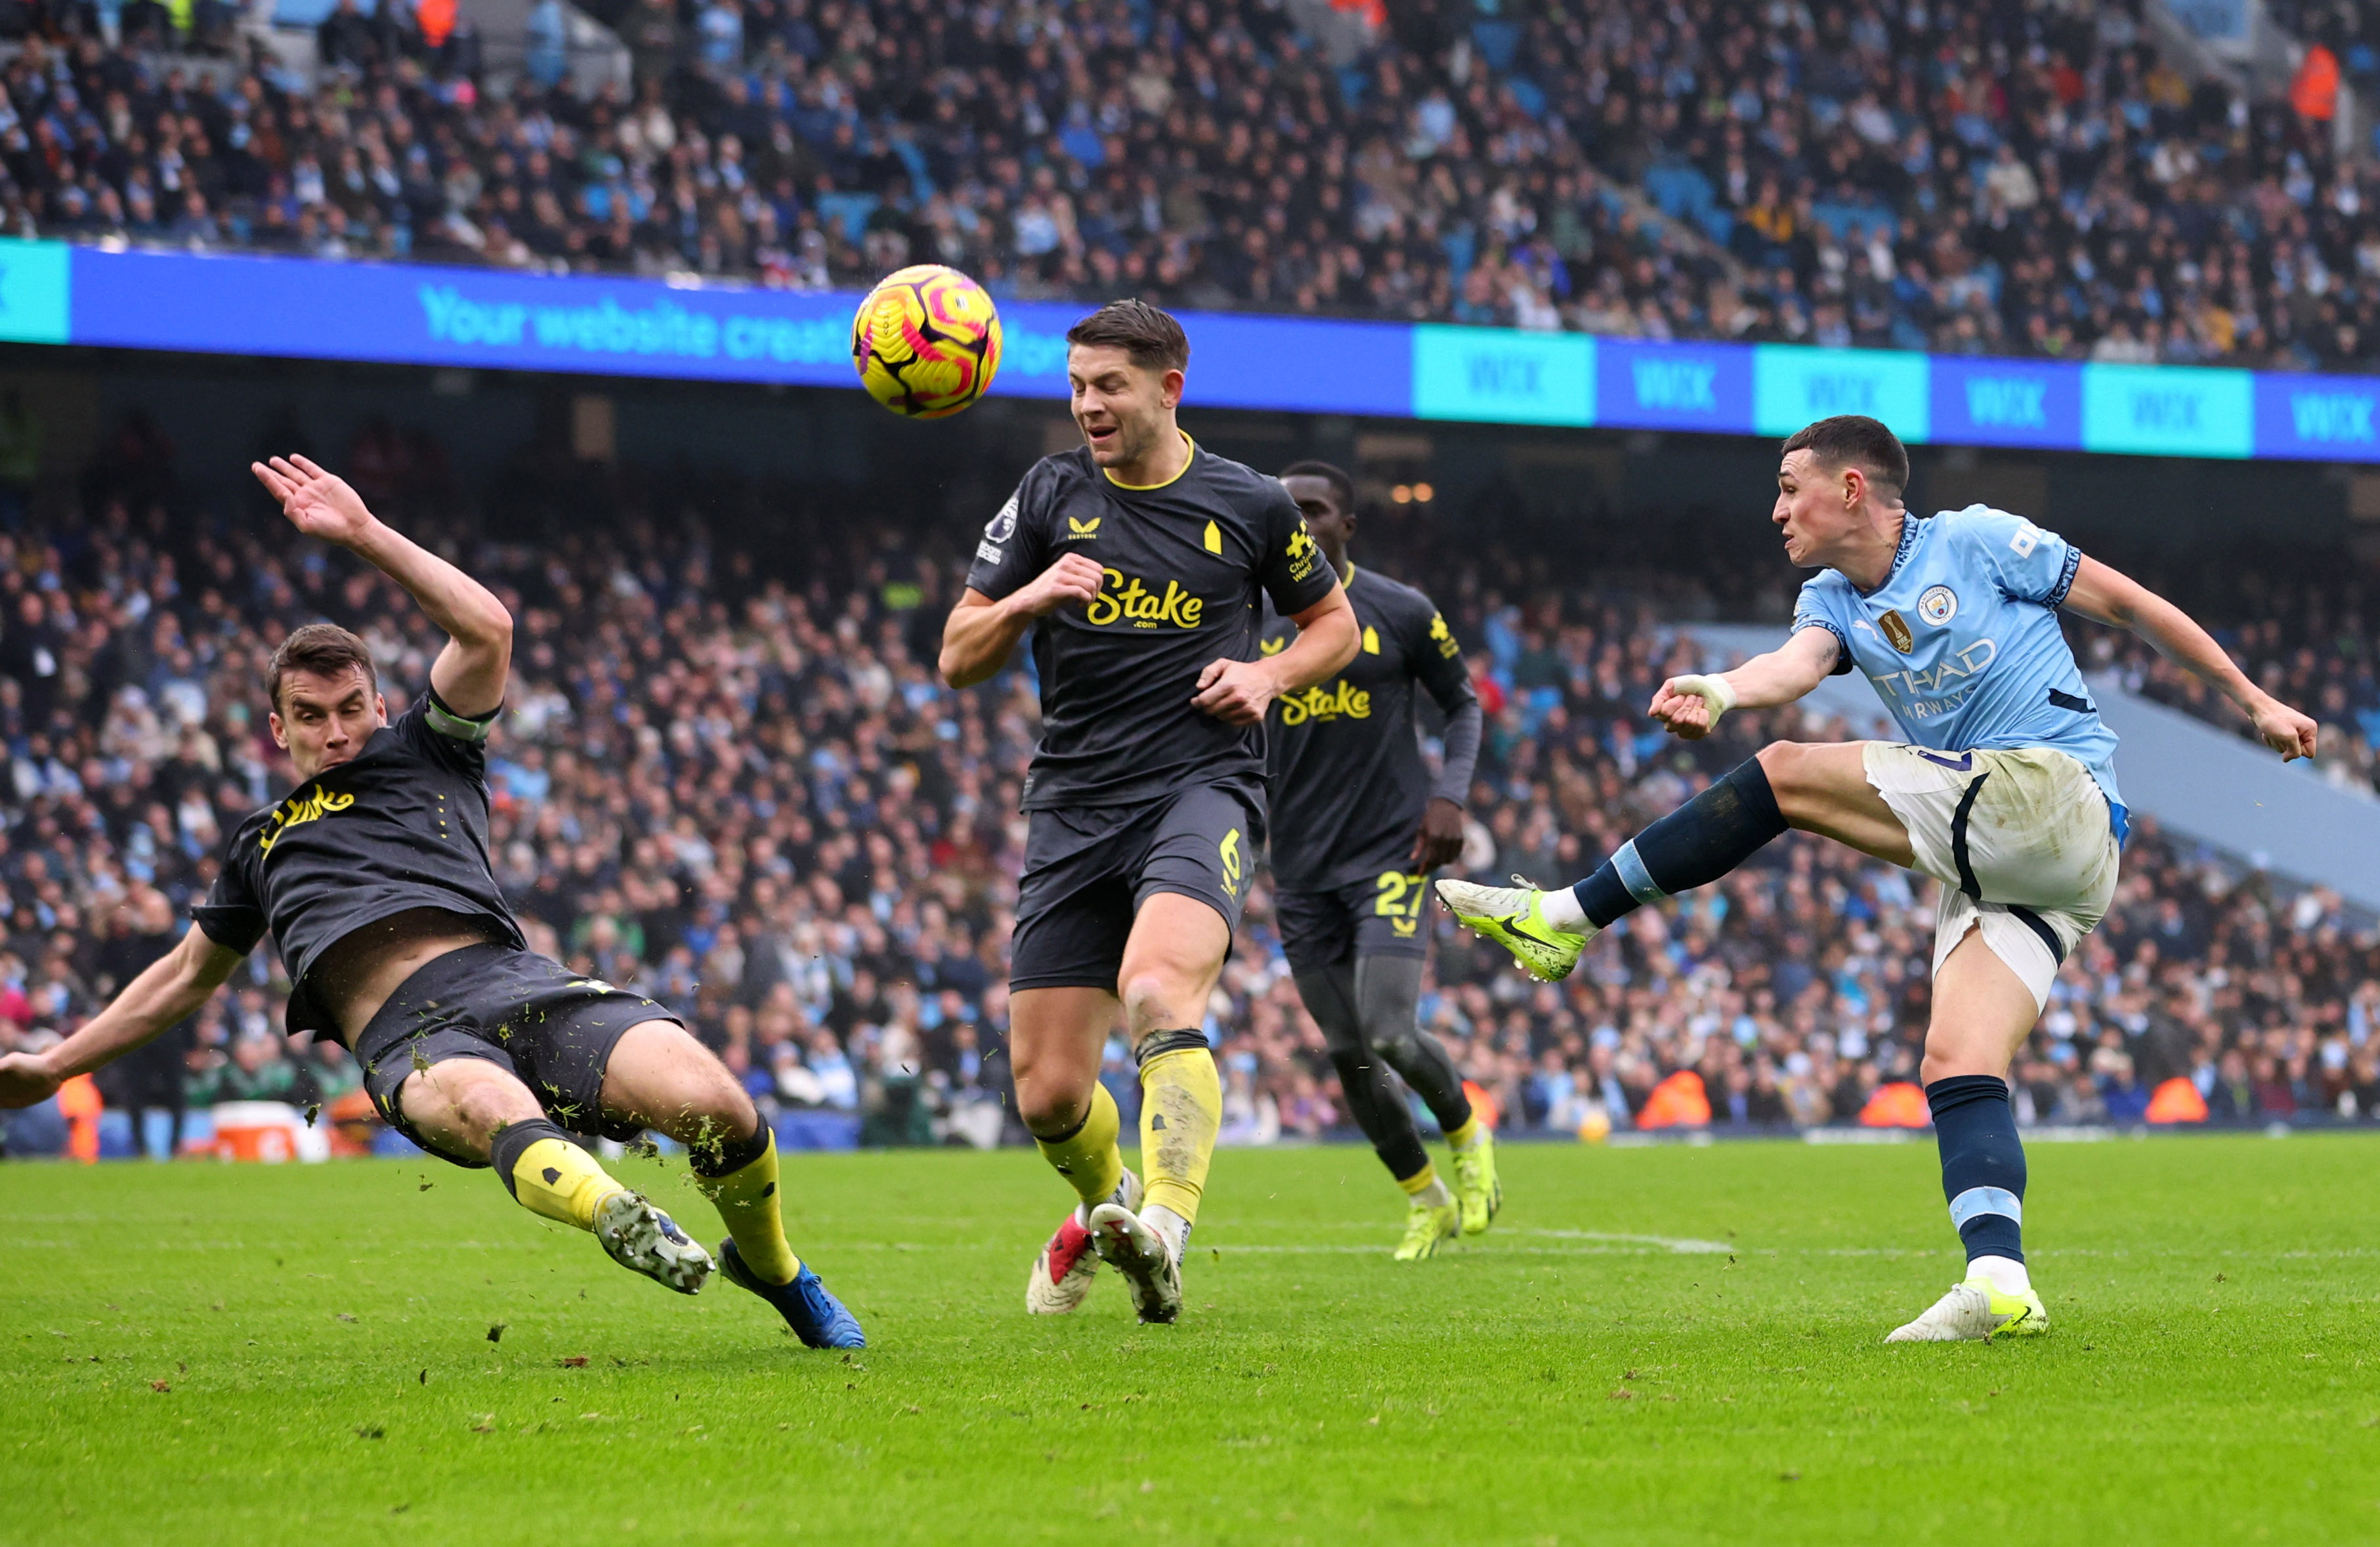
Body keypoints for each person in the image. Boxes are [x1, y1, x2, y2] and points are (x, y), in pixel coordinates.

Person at [1436, 415, 2316, 1342]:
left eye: (1788, 487)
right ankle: (2000, 1281)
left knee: (1781, 774)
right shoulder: (1832, 597)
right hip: (2028, 857)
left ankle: (1566, 914)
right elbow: (1794, 665)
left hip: (2051, 790)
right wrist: (1724, 688)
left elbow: (2129, 604)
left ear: (1850, 488)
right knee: (1958, 1059)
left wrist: (2251, 699)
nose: (1776, 509)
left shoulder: (1976, 539)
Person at [0, 455, 862, 1348]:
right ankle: (620, 1216)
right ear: (276, 727)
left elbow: (488, 628)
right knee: (491, 1105)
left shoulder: (427, 751)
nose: (333, 730)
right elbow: (181, 978)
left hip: (518, 981)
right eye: (309, 714)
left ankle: (775, 1269)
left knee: (715, 1101)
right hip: (407, 1037)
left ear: (380, 703)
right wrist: (57, 1064)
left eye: (348, 707)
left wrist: (365, 534)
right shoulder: (259, 844)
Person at [941, 299, 1357, 1323]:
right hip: (1072, 801)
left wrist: (1267, 677)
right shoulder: (1047, 493)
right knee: (1044, 1094)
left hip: (1200, 784)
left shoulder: (1250, 502)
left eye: (1108, 385)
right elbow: (956, 656)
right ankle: (1108, 1205)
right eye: (1077, 385)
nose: (1087, 404)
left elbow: (1333, 627)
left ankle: (1165, 1227)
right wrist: (1027, 599)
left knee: (1157, 984)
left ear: (1169, 388)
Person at [1259, 459, 1497, 1260]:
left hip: (1391, 851)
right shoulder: (1244, 616)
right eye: (1284, 510)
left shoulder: (1396, 609)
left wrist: (1450, 796)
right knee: (1345, 1051)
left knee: (1390, 1032)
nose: (1298, 520)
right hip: (1296, 864)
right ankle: (1422, 1196)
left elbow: (1462, 702)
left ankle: (1467, 1137)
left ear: (1345, 526)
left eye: (1315, 509)